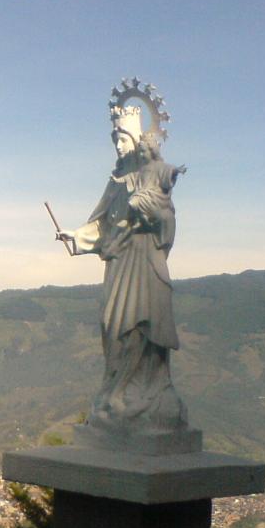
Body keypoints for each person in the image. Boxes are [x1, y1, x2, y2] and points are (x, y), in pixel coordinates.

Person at [56, 114, 189, 438]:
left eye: (122, 138)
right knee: (113, 325)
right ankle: (117, 394)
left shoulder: (155, 176)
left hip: (145, 262)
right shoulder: (117, 181)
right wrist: (75, 236)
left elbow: (167, 221)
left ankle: (147, 395)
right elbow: (102, 225)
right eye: (114, 139)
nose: (118, 145)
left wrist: (152, 213)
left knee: (142, 326)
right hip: (119, 264)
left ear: (137, 141)